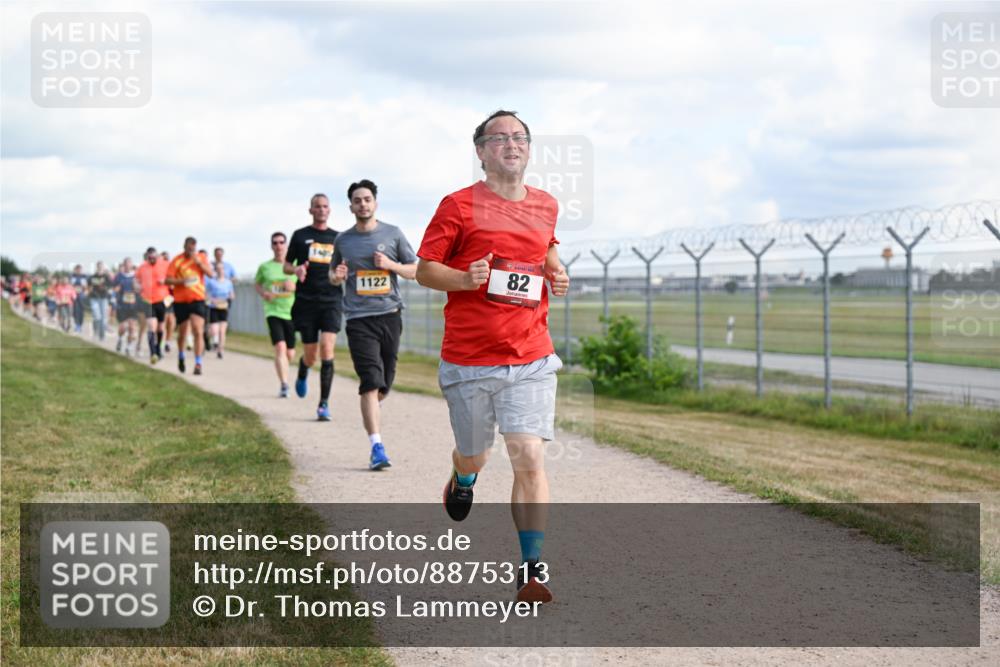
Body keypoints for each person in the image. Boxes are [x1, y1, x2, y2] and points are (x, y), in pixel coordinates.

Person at [415, 110, 570, 604]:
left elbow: (545, 252)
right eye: (499, 137)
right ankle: (463, 476)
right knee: (477, 452)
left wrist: (556, 271)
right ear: (480, 151)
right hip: (469, 358)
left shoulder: (546, 205)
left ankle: (532, 568)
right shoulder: (458, 206)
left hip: (530, 354)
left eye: (519, 136)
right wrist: (463, 279)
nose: (511, 143)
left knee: (528, 455)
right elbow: (424, 270)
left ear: (529, 148)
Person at [330, 179, 417, 470]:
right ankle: (376, 446)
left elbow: (415, 270)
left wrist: (391, 266)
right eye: (357, 200)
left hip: (390, 314)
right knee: (370, 380)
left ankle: (372, 410)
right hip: (357, 318)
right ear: (351, 206)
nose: (363, 204)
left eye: (367, 199)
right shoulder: (343, 241)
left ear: (375, 203)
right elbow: (333, 274)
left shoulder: (393, 234)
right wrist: (338, 275)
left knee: (384, 382)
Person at [284, 193, 344, 422]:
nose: (321, 210)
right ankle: (303, 367)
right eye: (317, 206)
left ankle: (323, 404)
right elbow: (287, 265)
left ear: (330, 210)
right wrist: (296, 270)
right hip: (306, 302)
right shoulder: (300, 236)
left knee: (327, 350)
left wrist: (341, 273)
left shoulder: (338, 238)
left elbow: (344, 265)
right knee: (311, 355)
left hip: (331, 300)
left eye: (325, 206)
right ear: (310, 210)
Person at [255, 231, 298, 397]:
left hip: (292, 311)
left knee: (290, 353)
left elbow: (305, 282)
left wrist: (294, 287)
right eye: (275, 243)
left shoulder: (293, 265)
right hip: (273, 311)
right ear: (271, 246)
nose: (278, 246)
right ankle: (284, 384)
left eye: (281, 242)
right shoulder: (265, 267)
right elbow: (257, 284)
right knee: (280, 347)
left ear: (286, 245)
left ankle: (285, 370)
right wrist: (264, 293)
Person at [165, 237, 214, 375]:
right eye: (189, 248)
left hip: (197, 299)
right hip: (181, 300)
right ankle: (181, 355)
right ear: (184, 247)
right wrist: (182, 281)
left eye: (193, 248)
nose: (191, 251)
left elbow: (211, 274)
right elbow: (167, 280)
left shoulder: (201, 258)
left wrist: (199, 263)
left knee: (198, 330)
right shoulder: (177, 260)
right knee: (183, 332)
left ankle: (198, 363)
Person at [135, 247, 170, 364]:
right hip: (148, 301)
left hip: (161, 300)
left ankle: (158, 349)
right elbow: (136, 280)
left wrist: (165, 281)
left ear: (157, 256)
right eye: (149, 258)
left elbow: (172, 278)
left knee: (160, 328)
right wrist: (137, 286)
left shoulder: (165, 265)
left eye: (154, 257)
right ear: (147, 257)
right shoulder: (142, 267)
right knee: (151, 327)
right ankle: (153, 353)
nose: (152, 260)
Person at [205, 260, 234, 359]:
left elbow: (232, 295)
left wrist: (228, 299)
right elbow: (206, 294)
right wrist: (212, 300)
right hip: (214, 308)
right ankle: (210, 339)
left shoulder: (228, 282)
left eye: (222, 268)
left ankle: (220, 350)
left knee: (222, 331)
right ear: (215, 270)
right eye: (218, 269)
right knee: (214, 330)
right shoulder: (211, 282)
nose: (220, 270)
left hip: (224, 308)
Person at [113, 257, 141, 356]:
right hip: (122, 305)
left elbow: (140, 289)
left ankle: (128, 347)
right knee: (123, 327)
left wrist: (136, 287)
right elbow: (114, 288)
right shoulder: (119, 276)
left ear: (131, 265)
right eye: (125, 264)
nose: (127, 266)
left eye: (129, 264)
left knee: (132, 327)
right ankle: (120, 339)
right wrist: (118, 289)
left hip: (133, 305)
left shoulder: (137, 276)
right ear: (123, 265)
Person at [87, 261, 112, 340]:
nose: (100, 268)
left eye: (101, 266)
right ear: (97, 267)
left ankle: (102, 335)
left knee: (103, 318)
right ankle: (95, 332)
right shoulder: (92, 277)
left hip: (103, 298)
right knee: (97, 316)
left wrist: (105, 288)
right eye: (99, 266)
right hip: (94, 298)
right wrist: (90, 290)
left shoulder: (106, 277)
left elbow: (110, 286)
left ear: (103, 267)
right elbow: (89, 287)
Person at [161, 251, 176, 353]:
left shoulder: (173, 270)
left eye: (167, 259)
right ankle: (161, 342)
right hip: (161, 299)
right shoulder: (158, 271)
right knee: (163, 321)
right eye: (164, 259)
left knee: (171, 321)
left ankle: (168, 342)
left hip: (172, 298)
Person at [69, 265, 88, 334]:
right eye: (77, 269)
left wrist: (85, 291)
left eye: (80, 269)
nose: (79, 271)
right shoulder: (72, 276)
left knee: (81, 310)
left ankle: (80, 324)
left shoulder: (84, 276)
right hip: (74, 295)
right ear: (75, 270)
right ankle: (77, 325)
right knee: (75, 311)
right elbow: (70, 285)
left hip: (81, 296)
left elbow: (86, 286)